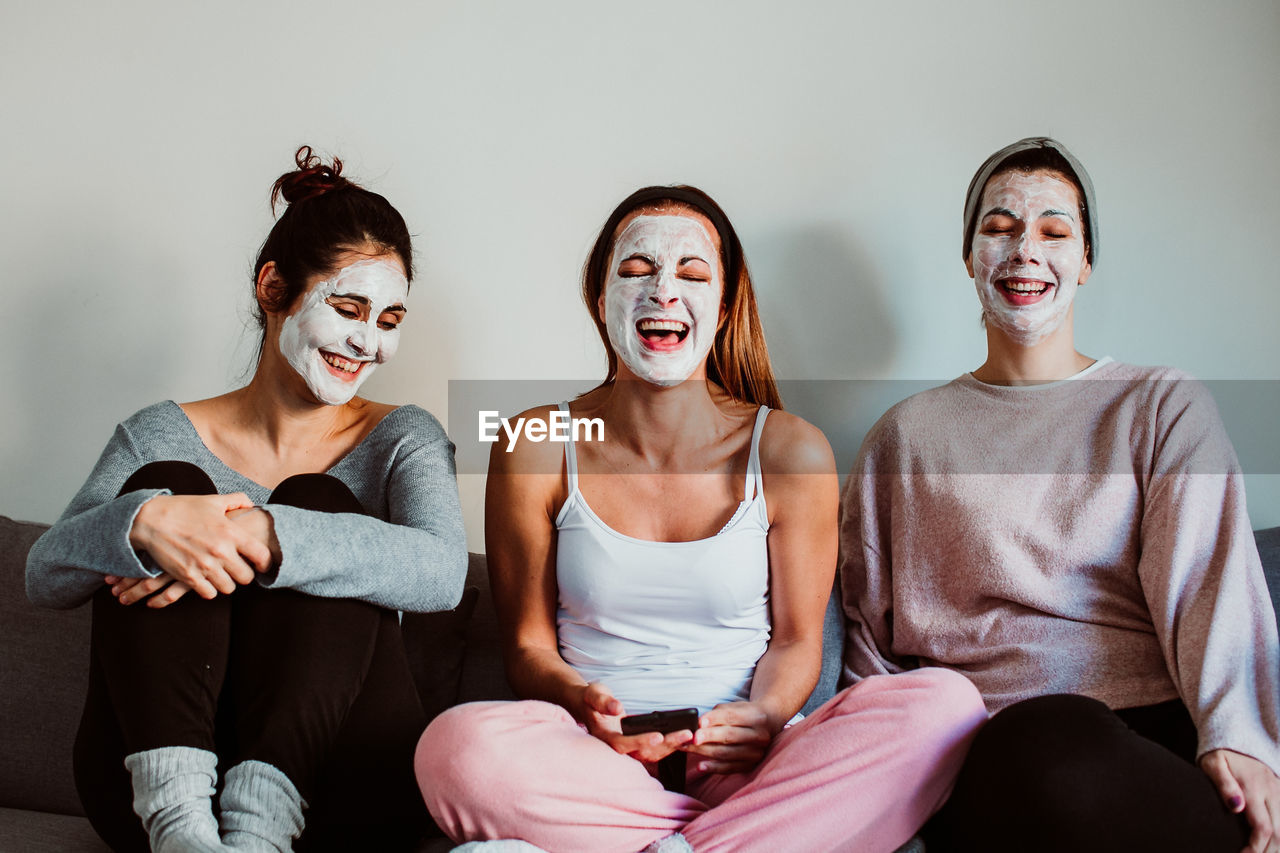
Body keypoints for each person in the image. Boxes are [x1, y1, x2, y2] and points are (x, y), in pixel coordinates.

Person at [415, 185, 986, 853]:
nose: (662, 291)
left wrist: (765, 713)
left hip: (750, 767)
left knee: (946, 706)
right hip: (595, 766)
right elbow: (529, 649)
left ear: (723, 306)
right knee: (452, 749)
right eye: (635, 270)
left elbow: (799, 641)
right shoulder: (532, 443)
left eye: (691, 273)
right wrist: (581, 700)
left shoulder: (789, 448)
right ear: (600, 302)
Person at [839, 136, 1280, 853]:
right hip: (987, 750)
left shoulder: (1159, 404)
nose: (1025, 251)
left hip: (1147, 735)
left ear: (1086, 260)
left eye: (1054, 231)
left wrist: (1240, 736)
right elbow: (868, 640)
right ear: (969, 255)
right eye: (999, 228)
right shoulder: (904, 438)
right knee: (1041, 738)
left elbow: (1213, 585)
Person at [25, 147, 468, 853]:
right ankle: (186, 829)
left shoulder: (400, 436)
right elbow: (43, 572)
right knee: (165, 487)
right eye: (350, 308)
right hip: (150, 798)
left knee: (317, 498)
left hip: (339, 789)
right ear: (273, 288)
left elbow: (444, 573)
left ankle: (259, 830)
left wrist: (266, 534)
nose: (370, 342)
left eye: (389, 320)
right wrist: (146, 522)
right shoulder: (158, 432)